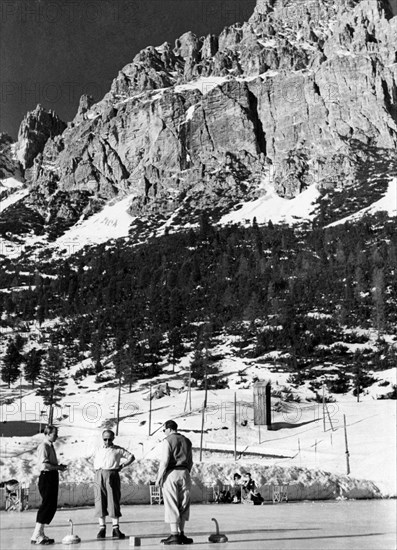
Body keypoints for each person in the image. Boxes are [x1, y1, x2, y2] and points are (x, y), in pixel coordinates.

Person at [156, 419, 193, 545]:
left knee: (171, 502)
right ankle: (182, 533)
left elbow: (165, 461)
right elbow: (190, 461)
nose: (164, 432)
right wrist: (186, 472)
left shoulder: (168, 440)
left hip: (172, 473)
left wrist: (159, 478)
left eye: (164, 430)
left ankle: (174, 534)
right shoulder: (187, 441)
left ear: (169, 429)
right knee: (183, 503)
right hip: (185, 473)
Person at [93, 429, 135, 539]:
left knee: (113, 500)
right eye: (105, 439)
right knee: (99, 500)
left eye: (109, 439)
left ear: (113, 439)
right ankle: (102, 528)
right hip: (99, 475)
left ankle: (115, 528)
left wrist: (122, 466)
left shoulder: (117, 450)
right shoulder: (98, 449)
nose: (107, 441)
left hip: (112, 474)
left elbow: (131, 457)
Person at [30, 425, 67, 545]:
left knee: (51, 505)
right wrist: (58, 467)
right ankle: (36, 535)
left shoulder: (50, 446)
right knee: (47, 505)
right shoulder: (44, 446)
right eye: (54, 433)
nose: (56, 436)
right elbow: (44, 465)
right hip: (47, 477)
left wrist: (57, 467)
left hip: (51, 476)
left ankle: (40, 533)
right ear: (47, 434)